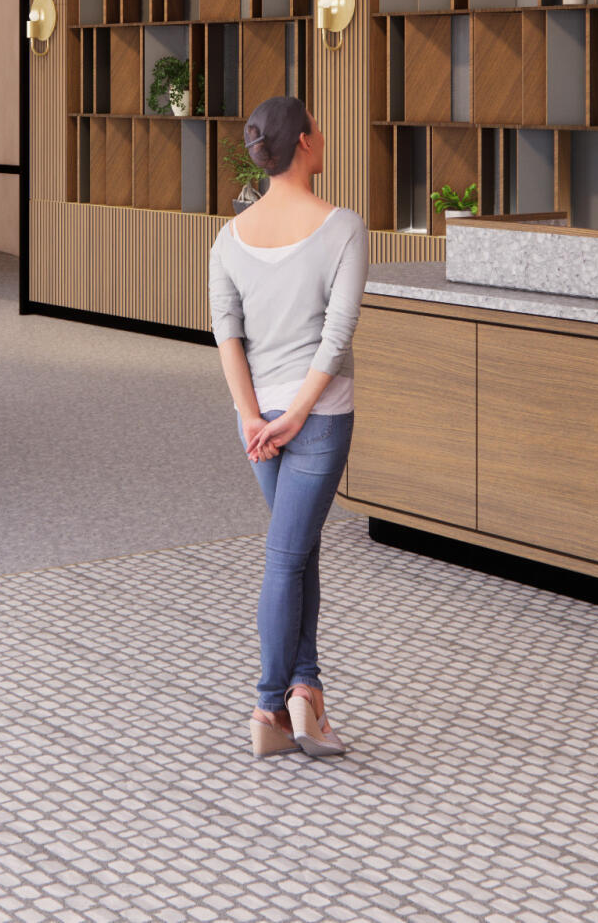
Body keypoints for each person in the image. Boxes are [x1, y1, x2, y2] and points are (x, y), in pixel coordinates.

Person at [208, 94, 365, 759]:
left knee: (296, 550)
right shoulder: (344, 226)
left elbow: (227, 335)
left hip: (258, 429)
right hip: (317, 419)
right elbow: (336, 339)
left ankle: (308, 691)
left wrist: (252, 416)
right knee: (286, 553)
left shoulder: (228, 237)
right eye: (318, 129)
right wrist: (297, 414)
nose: (324, 136)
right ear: (304, 141)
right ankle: (271, 705)